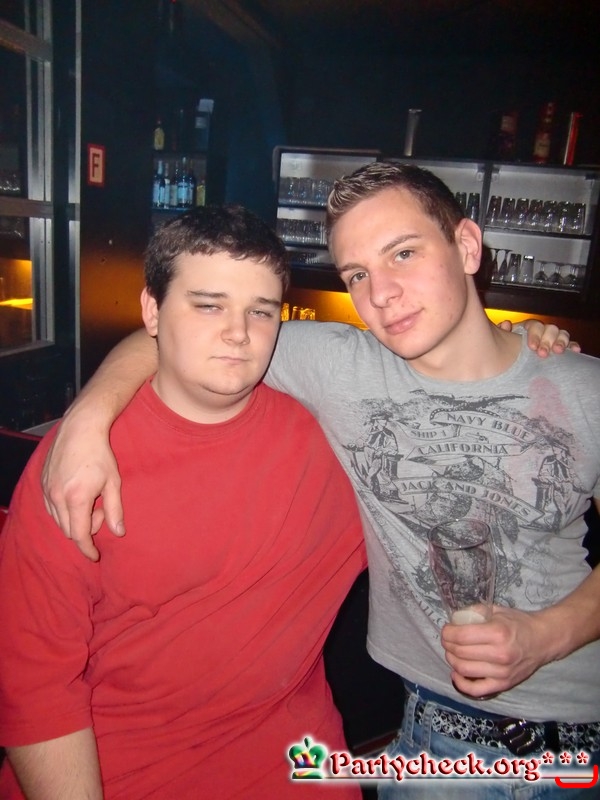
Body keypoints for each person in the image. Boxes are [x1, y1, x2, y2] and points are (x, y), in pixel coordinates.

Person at [41, 163, 598, 799]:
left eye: (404, 253)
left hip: (581, 736)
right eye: (356, 274)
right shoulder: (340, 367)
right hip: (437, 745)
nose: (381, 293)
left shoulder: (582, 387)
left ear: (467, 247)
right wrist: (88, 416)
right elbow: (190, 332)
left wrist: (544, 637)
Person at [0, 206, 368, 799]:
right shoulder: (79, 466)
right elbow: (35, 686)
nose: (238, 333)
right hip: (115, 773)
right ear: (151, 310)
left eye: (261, 311)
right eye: (208, 305)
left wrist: (518, 344)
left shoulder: (336, 443)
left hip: (290, 767)